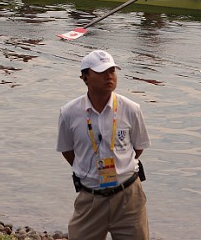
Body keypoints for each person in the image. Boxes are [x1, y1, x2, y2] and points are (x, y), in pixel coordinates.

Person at [57, 50, 150, 240]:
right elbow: (67, 150)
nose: (109, 76)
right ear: (85, 77)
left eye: (112, 71)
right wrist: (88, 170)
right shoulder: (69, 112)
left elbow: (138, 147)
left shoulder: (131, 109)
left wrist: (120, 167)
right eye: (101, 72)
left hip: (128, 197)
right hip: (91, 197)